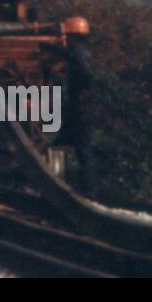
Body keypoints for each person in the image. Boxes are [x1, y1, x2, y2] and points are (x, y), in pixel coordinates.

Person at [59, 16, 98, 198]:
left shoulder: (79, 55)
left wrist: (83, 91)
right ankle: (78, 186)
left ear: (74, 36)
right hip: (81, 108)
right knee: (67, 144)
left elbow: (86, 73)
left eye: (68, 36)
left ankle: (88, 190)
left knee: (82, 148)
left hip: (80, 109)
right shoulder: (81, 52)